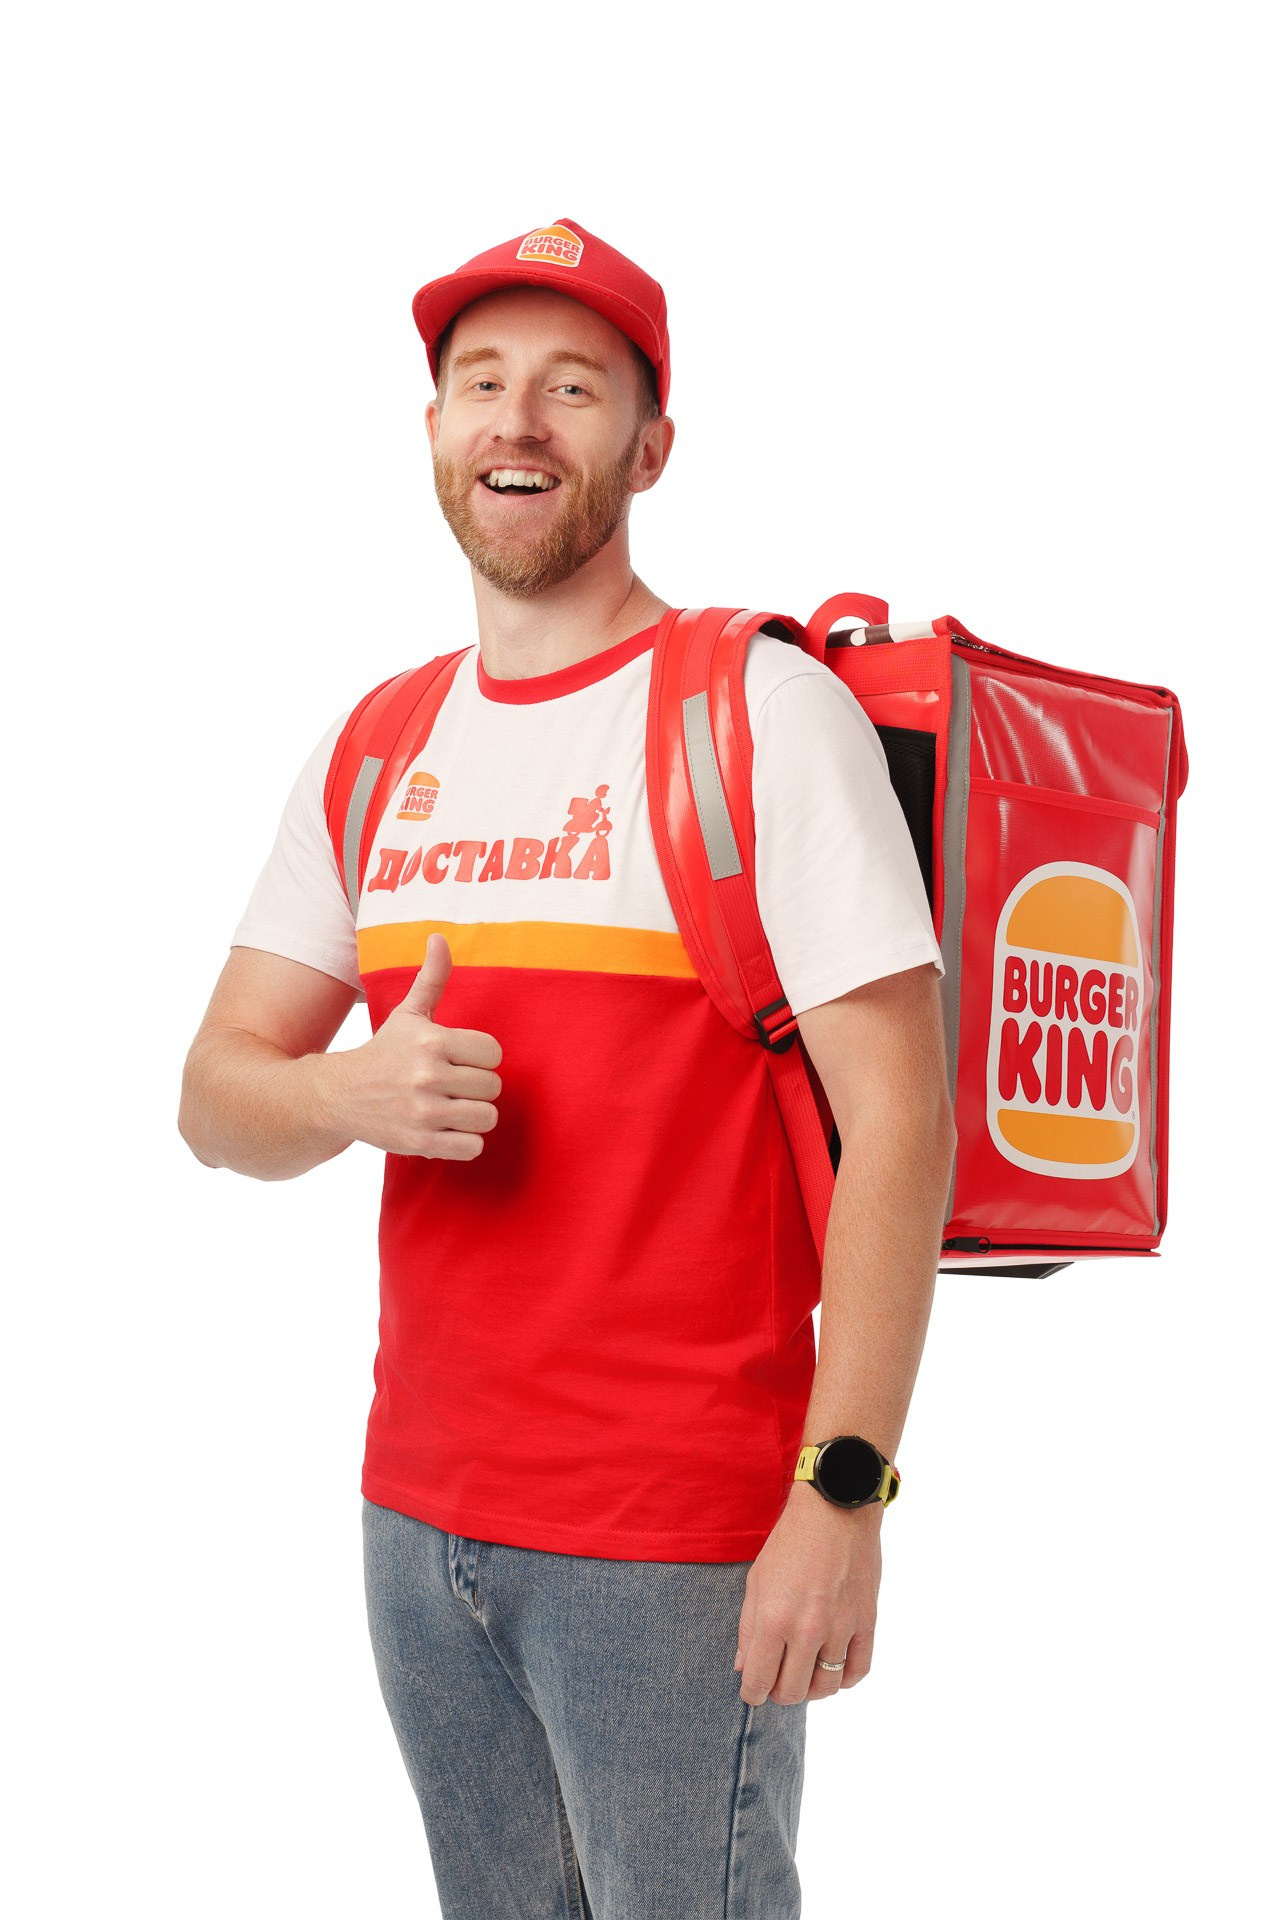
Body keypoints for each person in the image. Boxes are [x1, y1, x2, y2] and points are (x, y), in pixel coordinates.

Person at [178, 215, 957, 1919]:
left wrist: (845, 1495)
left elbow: (908, 1122)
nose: (518, 423)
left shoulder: (753, 713)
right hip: (417, 1521)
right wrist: (342, 1095)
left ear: (650, 446)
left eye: (575, 388)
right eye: (482, 385)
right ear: (436, 432)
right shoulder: (381, 746)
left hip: (671, 1539)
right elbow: (216, 1092)